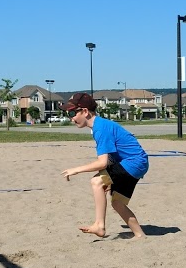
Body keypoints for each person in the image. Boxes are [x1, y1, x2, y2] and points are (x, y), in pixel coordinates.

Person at [60, 92, 149, 239]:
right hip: (137, 163)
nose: (71, 118)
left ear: (85, 112)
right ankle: (140, 234)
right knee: (117, 202)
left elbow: (102, 162)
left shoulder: (100, 128)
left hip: (133, 163)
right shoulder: (100, 126)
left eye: (72, 113)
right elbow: (109, 160)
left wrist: (76, 170)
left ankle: (99, 226)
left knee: (96, 182)